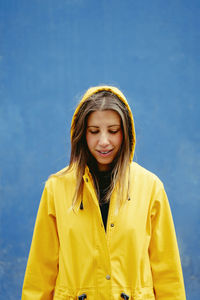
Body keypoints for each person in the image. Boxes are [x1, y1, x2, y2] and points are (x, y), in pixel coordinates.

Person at [22, 86, 186, 300]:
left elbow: (168, 274)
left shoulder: (150, 187)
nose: (104, 141)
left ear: (126, 132)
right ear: (82, 133)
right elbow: (40, 272)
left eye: (113, 130)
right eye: (94, 131)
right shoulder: (56, 187)